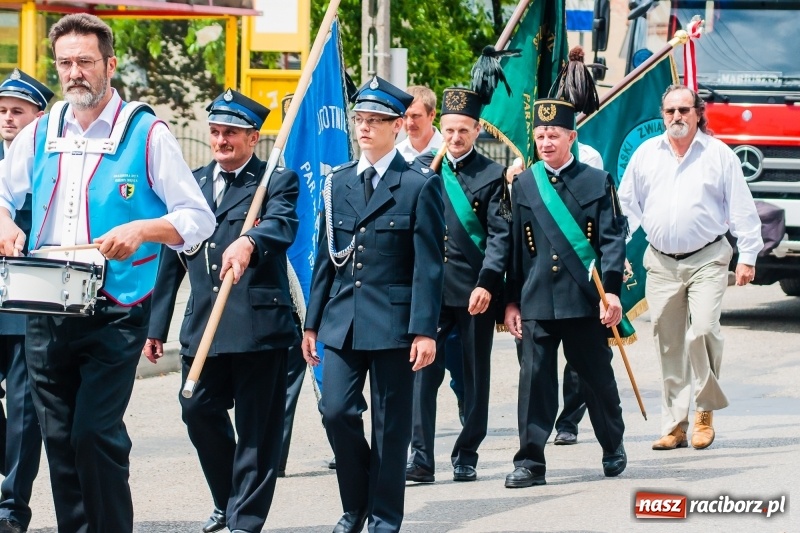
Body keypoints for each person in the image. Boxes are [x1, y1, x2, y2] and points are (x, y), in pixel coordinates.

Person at [0, 14, 215, 533]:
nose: (74, 73)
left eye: (85, 62)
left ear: (110, 64)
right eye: (65, 63)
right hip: (46, 306)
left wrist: (143, 229)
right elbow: (2, 195)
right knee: (59, 440)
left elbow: (197, 217)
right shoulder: (41, 130)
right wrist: (5, 224)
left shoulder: (147, 131)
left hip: (115, 307)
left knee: (95, 433)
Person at [145, 89, 299, 533]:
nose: (220, 140)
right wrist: (158, 327)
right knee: (197, 410)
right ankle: (228, 499)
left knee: (256, 431)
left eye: (230, 132)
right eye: (214, 132)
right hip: (204, 327)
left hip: (257, 327)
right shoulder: (188, 184)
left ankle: (243, 521)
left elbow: (282, 224)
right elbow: (168, 256)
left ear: (253, 138)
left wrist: (251, 240)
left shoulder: (274, 182)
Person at [302, 76, 444, 533]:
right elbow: (325, 259)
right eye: (360, 119)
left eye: (375, 120)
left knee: (389, 425)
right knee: (336, 412)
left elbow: (428, 266)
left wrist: (425, 330)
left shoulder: (418, 185)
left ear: (398, 126)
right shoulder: (336, 182)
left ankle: (383, 514)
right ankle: (356, 500)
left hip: (394, 323)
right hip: (341, 321)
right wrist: (311, 323)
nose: (364, 128)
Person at [618, 84, 762, 451]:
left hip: (708, 259)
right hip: (662, 262)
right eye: (670, 111)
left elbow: (741, 207)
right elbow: (625, 206)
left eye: (684, 110)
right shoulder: (647, 154)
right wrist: (613, 250)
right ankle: (675, 425)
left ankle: (704, 412)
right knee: (668, 344)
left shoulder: (718, 155)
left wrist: (747, 255)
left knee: (703, 331)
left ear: (698, 113)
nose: (677, 117)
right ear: (663, 115)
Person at [503, 98, 627, 488]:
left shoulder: (597, 181)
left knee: (596, 380)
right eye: (540, 135)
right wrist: (511, 301)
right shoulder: (524, 184)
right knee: (534, 383)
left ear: (571, 137)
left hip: (584, 300)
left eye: (554, 135)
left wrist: (612, 293)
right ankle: (530, 463)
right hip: (537, 298)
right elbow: (514, 248)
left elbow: (610, 242)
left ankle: (612, 445)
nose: (546, 141)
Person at [407, 87, 510, 484]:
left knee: (472, 377)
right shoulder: (421, 170)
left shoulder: (491, 175)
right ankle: (421, 458)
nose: (454, 138)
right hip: (430, 294)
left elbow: (501, 237)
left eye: (463, 131)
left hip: (474, 295)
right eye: (449, 131)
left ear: (476, 130)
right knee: (421, 377)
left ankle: (467, 452)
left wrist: (488, 283)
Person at [0, 68, 53, 533]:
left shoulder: (53, 163)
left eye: (18, 111)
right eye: (2, 111)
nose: (8, 119)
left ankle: (11, 509)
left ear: (39, 117)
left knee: (22, 409)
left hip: (25, 302)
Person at [553, 141, 604, 446]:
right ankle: (541, 420)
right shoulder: (524, 159)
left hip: (579, 271)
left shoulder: (589, 157)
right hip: (540, 277)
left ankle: (569, 420)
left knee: (578, 361)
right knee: (535, 363)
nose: (546, 140)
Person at [396, 85, 444, 162]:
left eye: (415, 116)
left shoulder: (449, 150)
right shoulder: (396, 154)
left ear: (432, 115)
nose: (409, 123)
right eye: (404, 116)